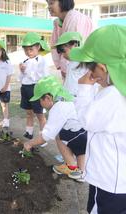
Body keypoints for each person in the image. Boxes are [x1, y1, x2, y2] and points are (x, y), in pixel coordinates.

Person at [69, 24, 126, 213]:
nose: (93, 76)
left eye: (93, 70)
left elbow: (86, 120)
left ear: (103, 67)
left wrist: (84, 89)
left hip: (108, 180)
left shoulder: (112, 95)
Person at [23, 75, 87, 182]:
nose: (39, 103)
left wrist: (29, 143)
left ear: (48, 98)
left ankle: (71, 166)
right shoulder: (67, 98)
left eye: (40, 100)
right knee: (80, 147)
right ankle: (80, 172)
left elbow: (46, 136)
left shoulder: (58, 107)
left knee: (58, 135)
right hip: (86, 135)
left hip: (78, 136)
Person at [46, 0, 93, 79]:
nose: (49, 7)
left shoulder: (75, 19)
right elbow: (54, 44)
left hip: (81, 68)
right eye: (48, 4)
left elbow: (71, 48)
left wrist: (65, 68)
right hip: (71, 67)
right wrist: (60, 66)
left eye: (51, 3)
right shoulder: (58, 22)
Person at [19, 32, 50, 139]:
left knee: (40, 114)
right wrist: (22, 71)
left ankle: (43, 137)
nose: (28, 52)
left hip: (36, 89)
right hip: (25, 88)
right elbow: (21, 78)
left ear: (38, 47)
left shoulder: (42, 61)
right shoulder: (24, 61)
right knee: (29, 112)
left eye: (31, 49)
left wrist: (26, 70)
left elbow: (42, 77)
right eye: (26, 49)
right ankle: (29, 132)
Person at [53, 32, 88, 97]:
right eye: (61, 53)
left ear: (75, 45)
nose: (63, 55)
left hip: (78, 98)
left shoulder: (83, 64)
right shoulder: (72, 63)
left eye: (64, 51)